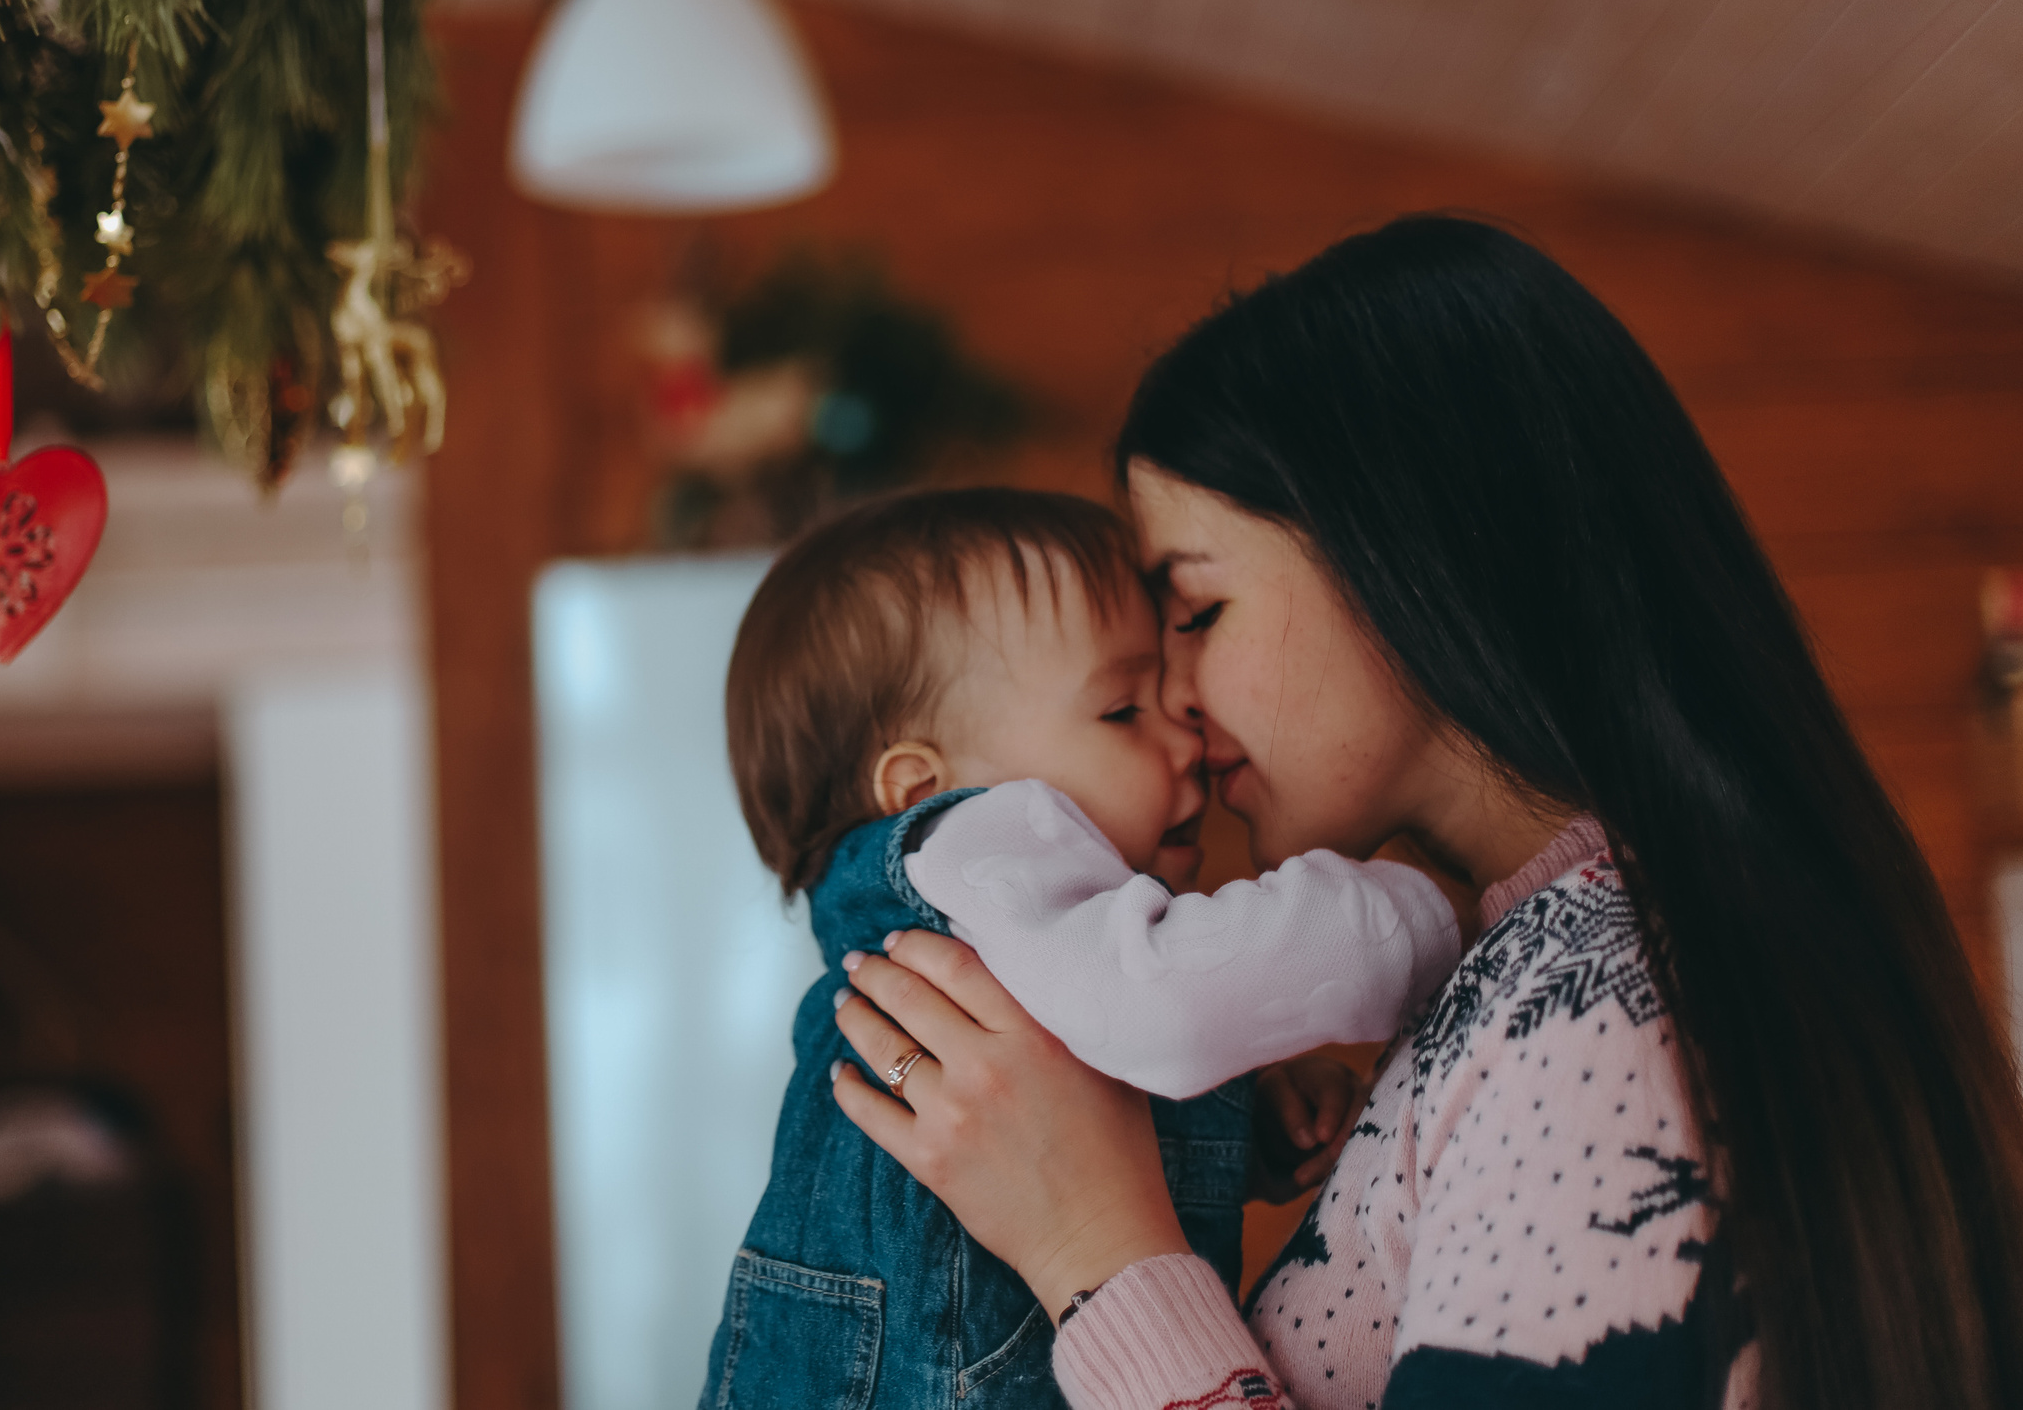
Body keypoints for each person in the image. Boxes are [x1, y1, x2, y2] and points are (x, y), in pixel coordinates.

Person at [824, 216, 2023, 1409]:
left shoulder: (1600, 1009)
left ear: (1405, 552)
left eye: (1193, 614)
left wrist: (1094, 1246)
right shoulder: (1565, 963)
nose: (1175, 701)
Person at [702, 487, 1464, 1410]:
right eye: (1123, 710)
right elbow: (1161, 1004)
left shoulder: (1007, 931)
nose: (1186, 737)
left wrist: (1238, 1129)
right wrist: (1416, 919)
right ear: (924, 786)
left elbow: (1078, 1090)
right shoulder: (966, 839)